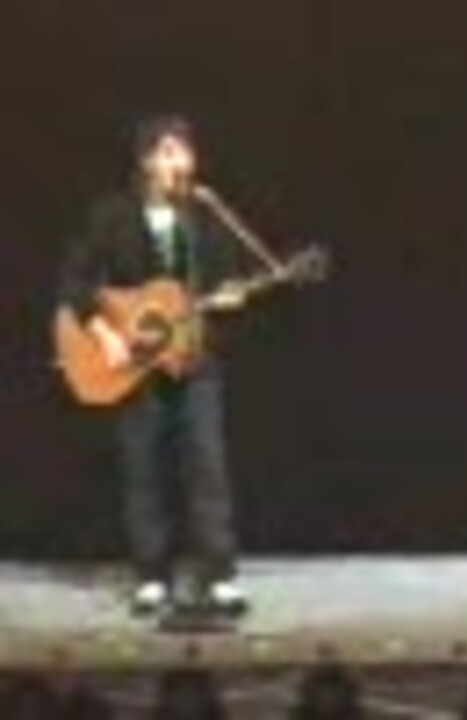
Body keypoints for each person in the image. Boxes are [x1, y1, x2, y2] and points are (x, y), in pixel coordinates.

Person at [59, 116, 250, 616]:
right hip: (135, 364)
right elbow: (76, 282)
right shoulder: (113, 216)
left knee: (206, 465)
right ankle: (151, 575)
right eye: (168, 152)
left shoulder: (206, 217)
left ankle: (219, 574)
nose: (179, 162)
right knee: (143, 467)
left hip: (194, 358)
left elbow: (226, 281)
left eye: (185, 151)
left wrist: (230, 298)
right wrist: (106, 334)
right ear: (146, 161)